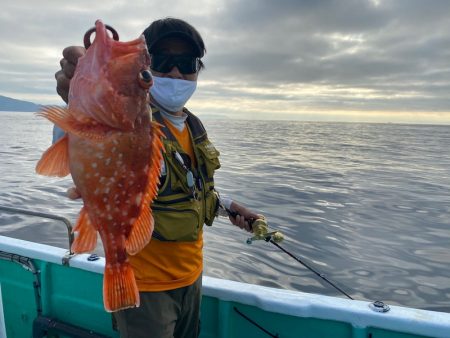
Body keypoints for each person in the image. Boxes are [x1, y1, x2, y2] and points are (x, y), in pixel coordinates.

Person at [55, 18, 262, 338]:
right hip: (146, 287)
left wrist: (231, 207)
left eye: (186, 63)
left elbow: (191, 187)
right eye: (164, 62)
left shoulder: (192, 126)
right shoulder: (130, 117)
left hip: (191, 276)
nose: (177, 73)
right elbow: (78, 144)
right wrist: (71, 98)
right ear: (146, 69)